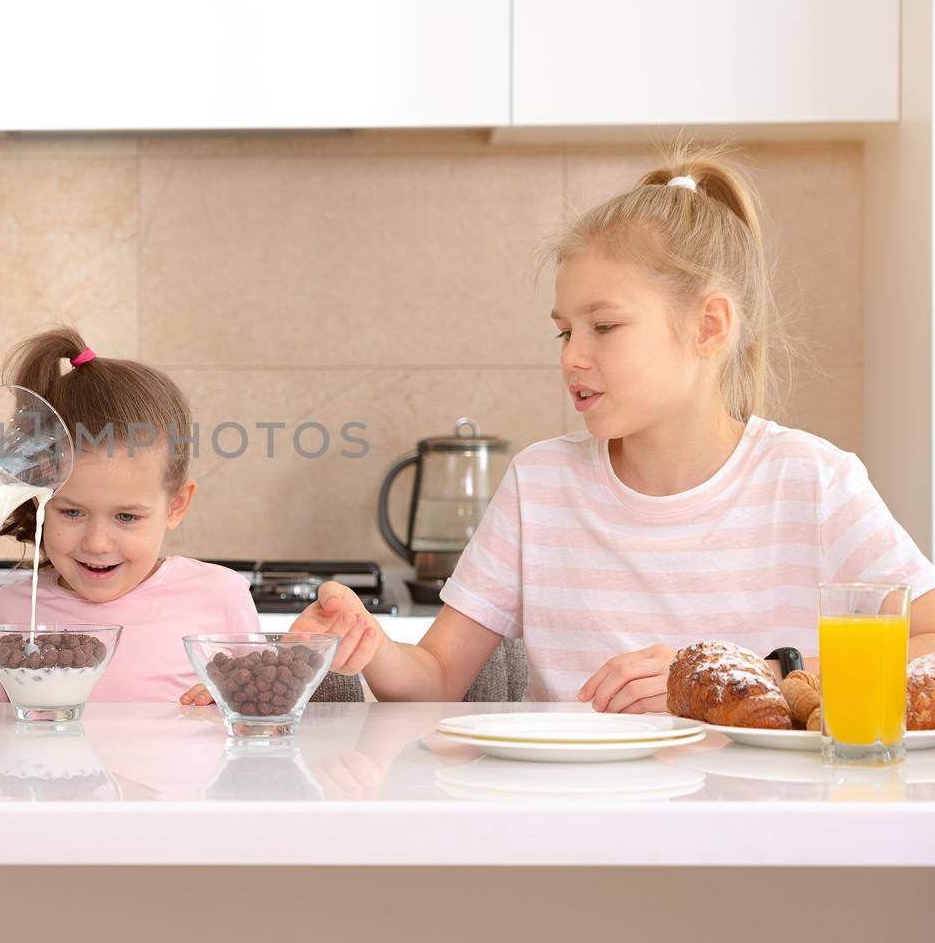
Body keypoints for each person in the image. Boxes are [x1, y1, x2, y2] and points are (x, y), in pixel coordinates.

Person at [298, 145, 935, 708]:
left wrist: (759, 674)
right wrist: (370, 642)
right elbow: (436, 677)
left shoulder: (812, 482)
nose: (572, 354)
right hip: (574, 826)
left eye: (604, 327)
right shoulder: (541, 485)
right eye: (564, 330)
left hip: (758, 826)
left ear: (708, 326)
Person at [0, 327, 262, 704]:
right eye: (72, 511)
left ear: (176, 506)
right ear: (39, 499)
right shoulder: (8, 613)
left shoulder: (219, 597)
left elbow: (262, 734)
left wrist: (227, 715)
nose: (97, 543)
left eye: (127, 517)